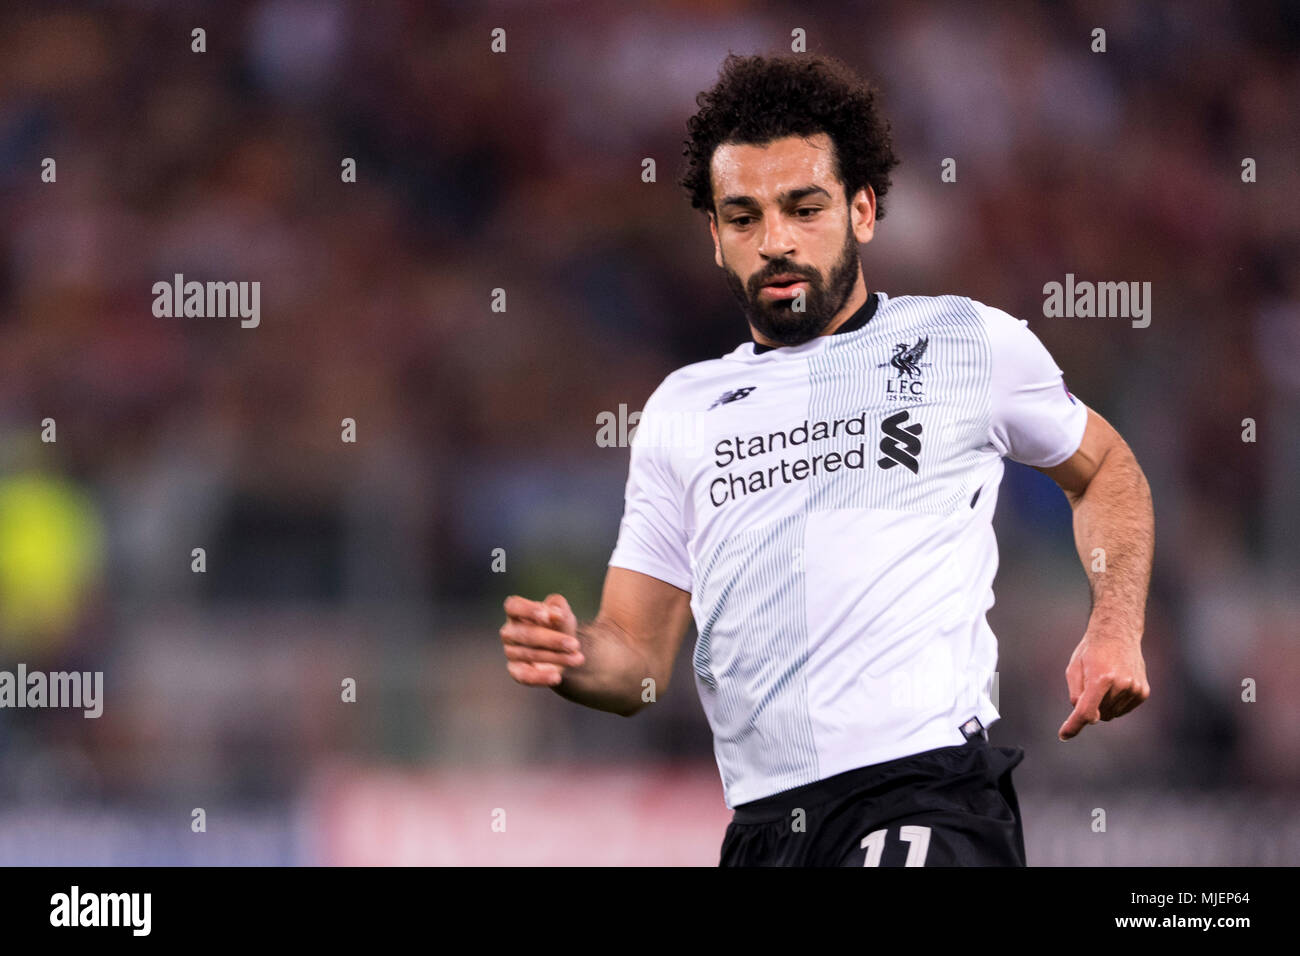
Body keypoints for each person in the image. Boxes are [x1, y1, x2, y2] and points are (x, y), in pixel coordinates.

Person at [500, 52, 1153, 866]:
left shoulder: (963, 340)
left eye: (803, 208)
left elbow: (1104, 468)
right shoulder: (682, 410)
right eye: (743, 218)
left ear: (863, 210)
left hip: (926, 793)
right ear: (714, 238)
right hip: (766, 831)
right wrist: (577, 657)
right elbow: (637, 660)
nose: (774, 241)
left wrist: (1115, 625)